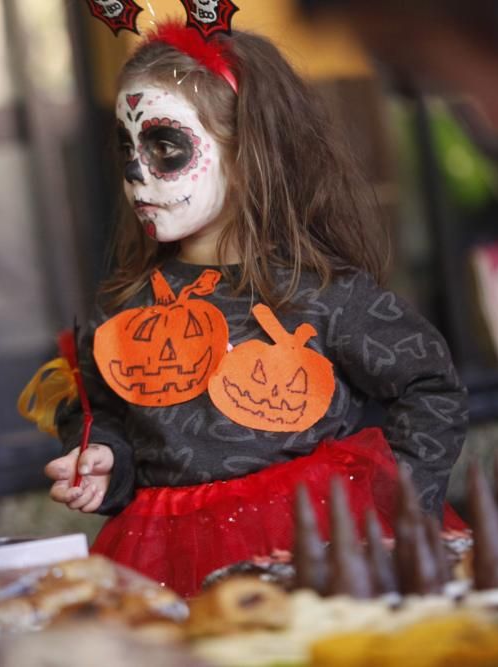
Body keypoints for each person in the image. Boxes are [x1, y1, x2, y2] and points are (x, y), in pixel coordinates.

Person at [42, 23, 468, 597]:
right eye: (127, 147)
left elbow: (429, 387)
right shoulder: (124, 309)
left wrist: (396, 504)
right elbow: (100, 415)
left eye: (165, 147)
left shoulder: (318, 291)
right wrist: (102, 462)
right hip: (172, 567)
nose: (136, 173)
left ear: (247, 156)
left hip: (323, 554)